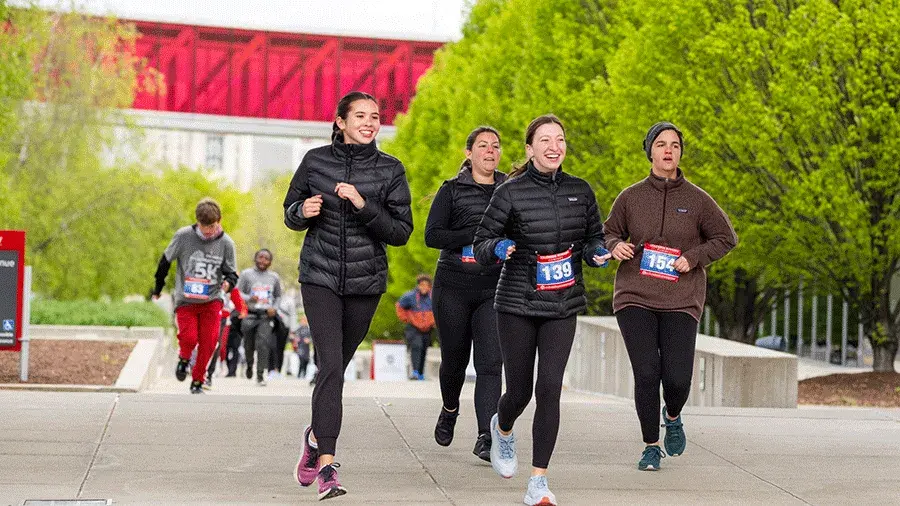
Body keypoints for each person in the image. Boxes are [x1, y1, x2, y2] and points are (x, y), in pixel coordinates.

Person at [473, 114, 610, 506]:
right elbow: (483, 241)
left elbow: (593, 238)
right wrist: (498, 248)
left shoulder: (580, 191)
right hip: (516, 304)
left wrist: (597, 253)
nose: (554, 146)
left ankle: (538, 481)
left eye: (560, 139)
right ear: (530, 149)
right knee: (518, 391)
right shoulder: (510, 193)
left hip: (562, 304)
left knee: (549, 388)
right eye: (545, 140)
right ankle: (502, 428)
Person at [283, 90, 412, 500]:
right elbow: (290, 210)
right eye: (360, 115)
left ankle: (314, 436)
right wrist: (301, 213)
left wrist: (362, 204)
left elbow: (400, 232)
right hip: (319, 277)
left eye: (375, 116)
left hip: (365, 283)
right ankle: (328, 468)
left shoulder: (390, 169)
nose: (369, 122)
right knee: (332, 365)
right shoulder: (315, 161)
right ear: (340, 121)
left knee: (336, 367)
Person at [604, 121, 737, 471]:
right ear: (649, 150)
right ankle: (651, 446)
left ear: (680, 153)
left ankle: (673, 414)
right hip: (635, 294)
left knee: (677, 378)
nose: (668, 150)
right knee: (647, 372)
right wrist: (616, 246)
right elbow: (608, 233)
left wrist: (692, 258)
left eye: (675, 145)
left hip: (681, 298)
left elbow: (726, 238)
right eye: (661, 144)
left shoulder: (697, 199)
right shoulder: (630, 197)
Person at [424, 125, 506, 461]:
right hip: (454, 286)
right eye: (483, 146)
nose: (490, 151)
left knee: (490, 364)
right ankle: (449, 407)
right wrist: (473, 234)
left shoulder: (509, 190)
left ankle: (487, 436)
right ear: (468, 153)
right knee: (454, 361)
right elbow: (433, 236)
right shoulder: (452, 190)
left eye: (496, 146)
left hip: (493, 288)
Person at [151, 198, 238, 394]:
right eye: (204, 226)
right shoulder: (183, 236)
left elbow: (232, 273)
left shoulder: (226, 243)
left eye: (213, 226)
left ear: (219, 221)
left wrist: (228, 284)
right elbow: (165, 261)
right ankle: (184, 357)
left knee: (209, 342)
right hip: (186, 299)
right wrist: (157, 288)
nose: (208, 231)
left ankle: (198, 380)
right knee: (189, 337)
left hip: (212, 299)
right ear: (197, 221)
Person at [237, 248, 283, 386]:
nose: (263, 261)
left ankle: (260, 374)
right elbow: (237, 293)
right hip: (249, 315)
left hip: (265, 316)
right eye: (260, 257)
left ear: (270, 262)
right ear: (255, 258)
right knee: (248, 345)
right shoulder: (246, 274)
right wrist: (250, 298)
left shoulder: (274, 277)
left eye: (266, 259)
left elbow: (278, 296)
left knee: (263, 344)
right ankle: (250, 364)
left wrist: (274, 308)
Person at [395, 274, 436, 380]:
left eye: (426, 285)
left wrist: (434, 321)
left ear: (430, 287)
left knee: (424, 349)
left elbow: (440, 309)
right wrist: (405, 318)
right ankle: (415, 372)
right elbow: (399, 306)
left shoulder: (433, 297)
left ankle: (421, 373)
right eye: (422, 285)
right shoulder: (410, 296)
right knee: (416, 347)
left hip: (427, 328)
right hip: (413, 328)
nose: (424, 288)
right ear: (418, 286)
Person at [205, 287, 247, 387]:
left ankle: (209, 374)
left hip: (222, 317)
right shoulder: (205, 275)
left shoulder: (229, 282)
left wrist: (242, 311)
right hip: (204, 313)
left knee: (217, 345)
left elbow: (239, 302)